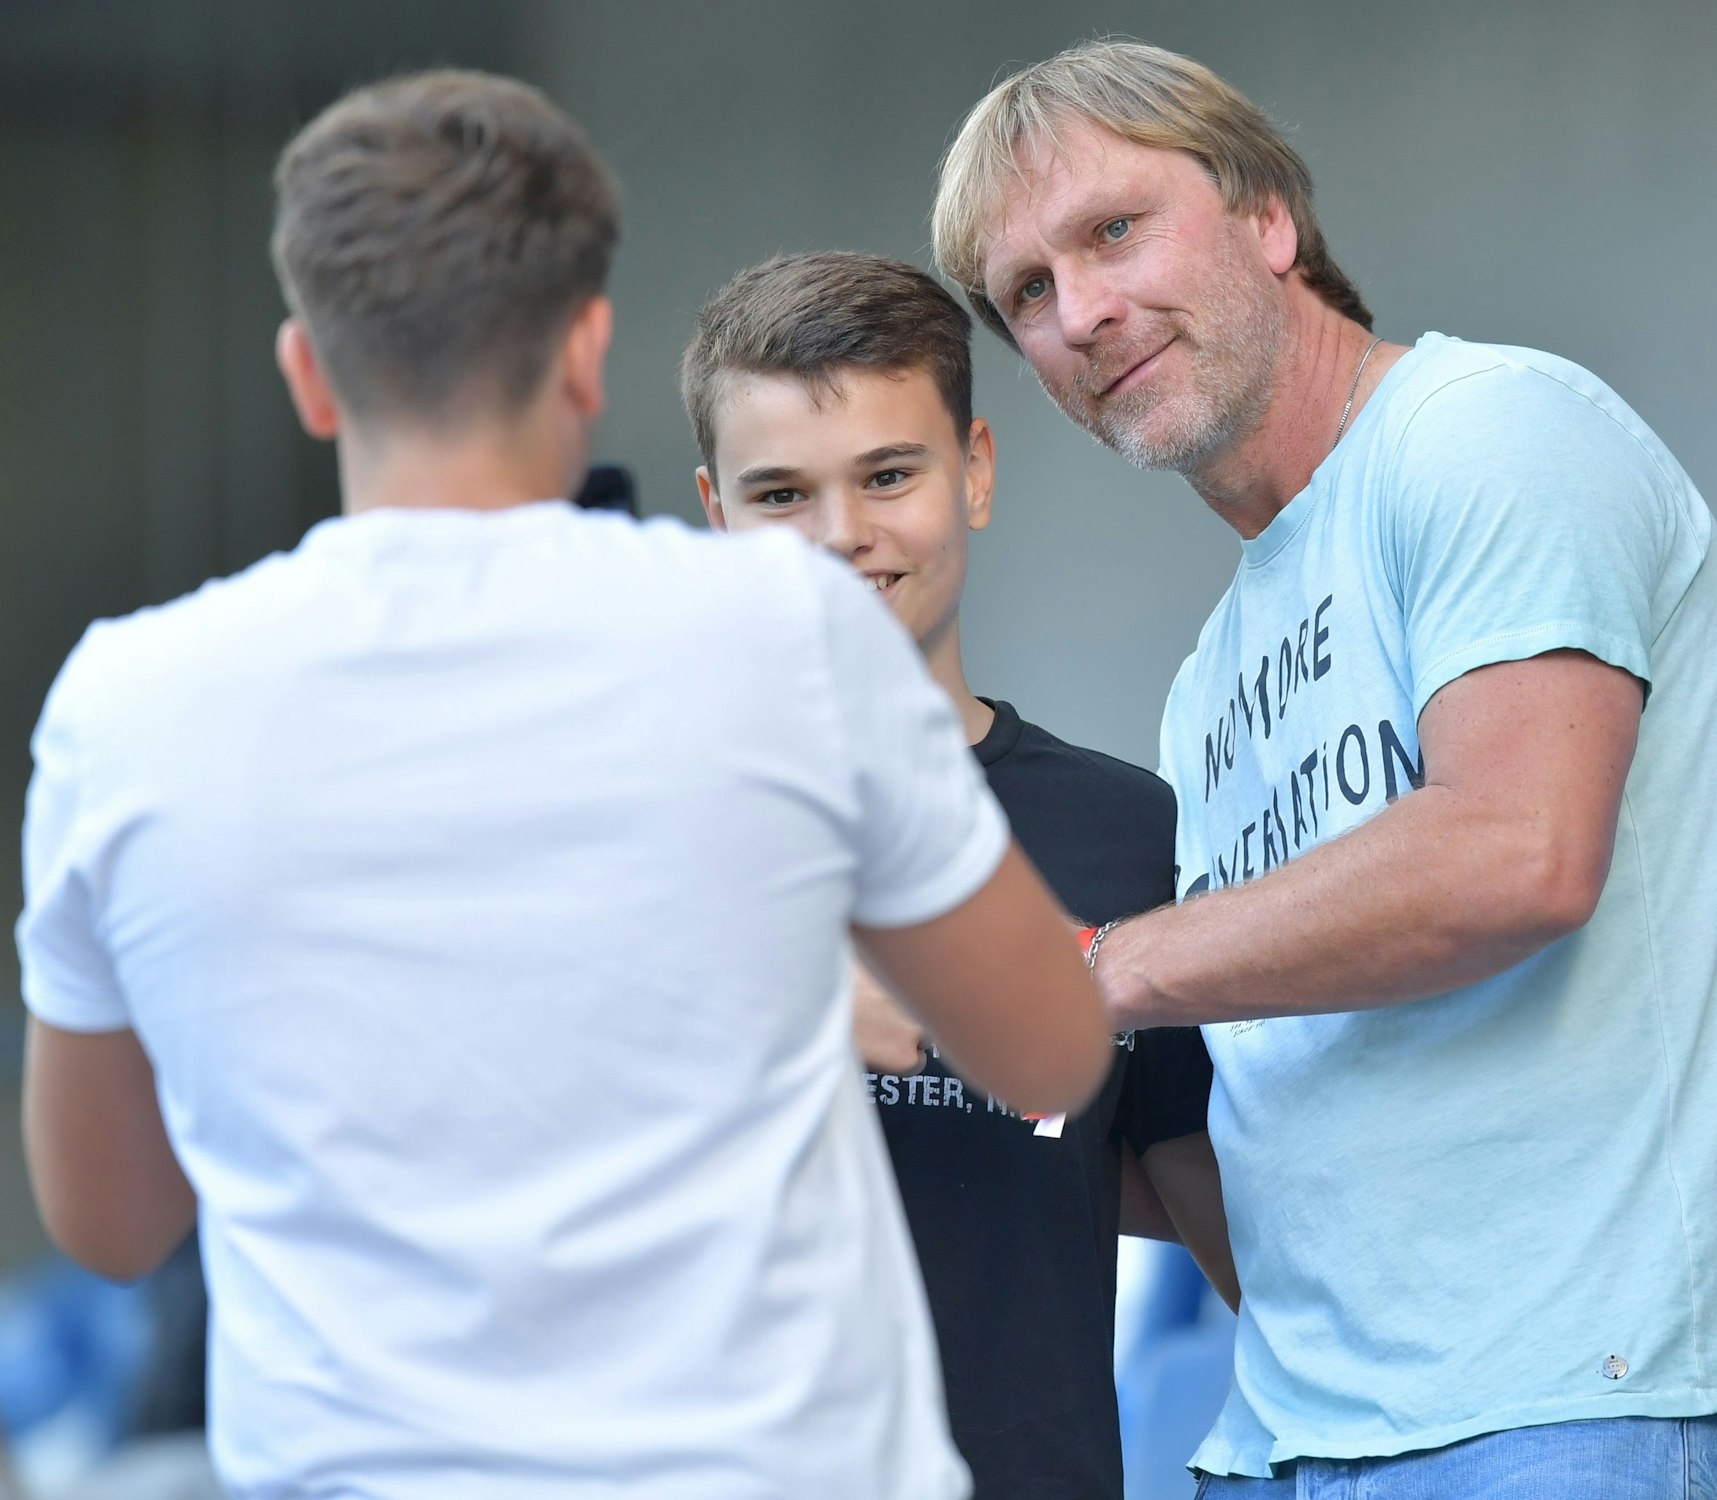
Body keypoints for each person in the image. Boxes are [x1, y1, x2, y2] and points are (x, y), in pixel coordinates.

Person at [16, 70, 1110, 1500]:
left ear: (305, 369)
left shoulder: (125, 701)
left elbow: (106, 1221)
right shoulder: (789, 637)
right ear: (587, 349)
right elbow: (1049, 1052)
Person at [929, 39, 1717, 1498]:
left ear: (1267, 218)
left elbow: (1517, 852)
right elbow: (1262, 1129)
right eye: (1029, 296)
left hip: (1578, 1402)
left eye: (1113, 231)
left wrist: (1078, 967)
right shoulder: (1209, 680)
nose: (1083, 314)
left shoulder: (1488, 433)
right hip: (1299, 1436)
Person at [684, 249, 1237, 1500]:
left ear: (974, 470)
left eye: (887, 475)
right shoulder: (630, 828)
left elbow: (1245, 1243)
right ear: (714, 518)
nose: (842, 536)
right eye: (781, 493)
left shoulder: (1122, 834)